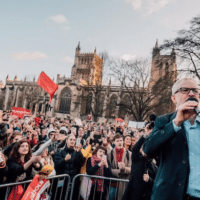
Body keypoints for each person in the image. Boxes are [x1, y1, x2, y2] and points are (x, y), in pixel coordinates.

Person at [143, 77, 200, 200]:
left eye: (195, 90)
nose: (191, 93)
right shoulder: (164, 121)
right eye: (185, 90)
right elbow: (148, 149)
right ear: (174, 98)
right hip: (170, 195)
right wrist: (176, 123)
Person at [122, 124, 157, 200]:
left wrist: (149, 180)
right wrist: (145, 135)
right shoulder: (137, 159)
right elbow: (135, 149)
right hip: (133, 195)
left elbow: (157, 182)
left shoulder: (154, 166)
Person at [107, 134, 132, 200]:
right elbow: (108, 170)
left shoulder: (129, 154)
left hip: (124, 185)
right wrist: (120, 171)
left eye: (121, 140)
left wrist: (124, 169)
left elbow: (131, 169)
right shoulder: (110, 154)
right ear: (114, 142)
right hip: (112, 184)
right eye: (117, 141)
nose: (120, 142)